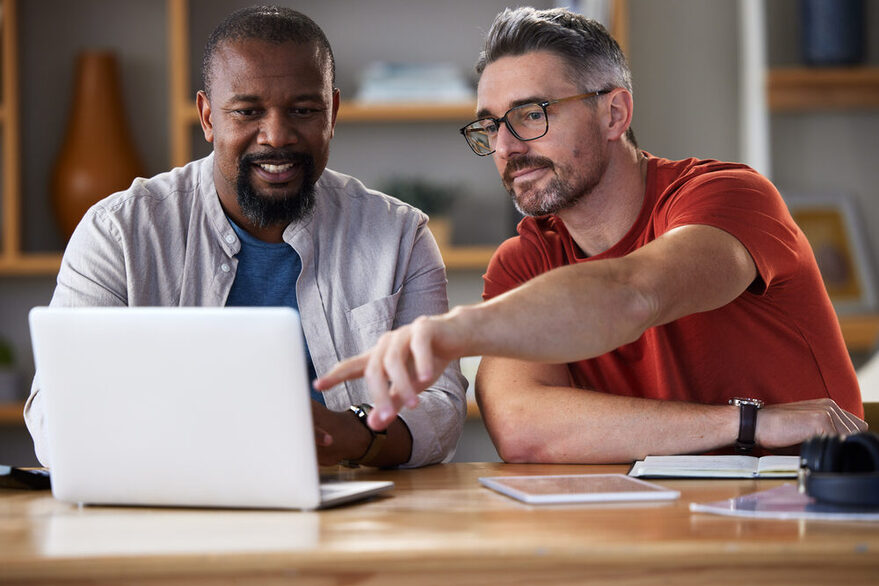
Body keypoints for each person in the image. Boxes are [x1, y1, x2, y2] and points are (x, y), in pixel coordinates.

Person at [316, 6, 866, 463]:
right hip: (645, 532)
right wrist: (750, 425)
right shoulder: (524, 262)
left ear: (614, 113)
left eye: (530, 114)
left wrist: (455, 332)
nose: (505, 147)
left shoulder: (726, 197)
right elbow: (523, 427)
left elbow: (633, 293)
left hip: (807, 516)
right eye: (489, 125)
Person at [24, 5, 466, 469]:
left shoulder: (401, 235)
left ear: (332, 113)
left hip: (349, 516)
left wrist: (354, 434)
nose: (276, 136)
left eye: (303, 110)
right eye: (248, 111)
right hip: (163, 507)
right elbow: (54, 412)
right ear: (208, 116)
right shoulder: (118, 232)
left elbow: (442, 406)